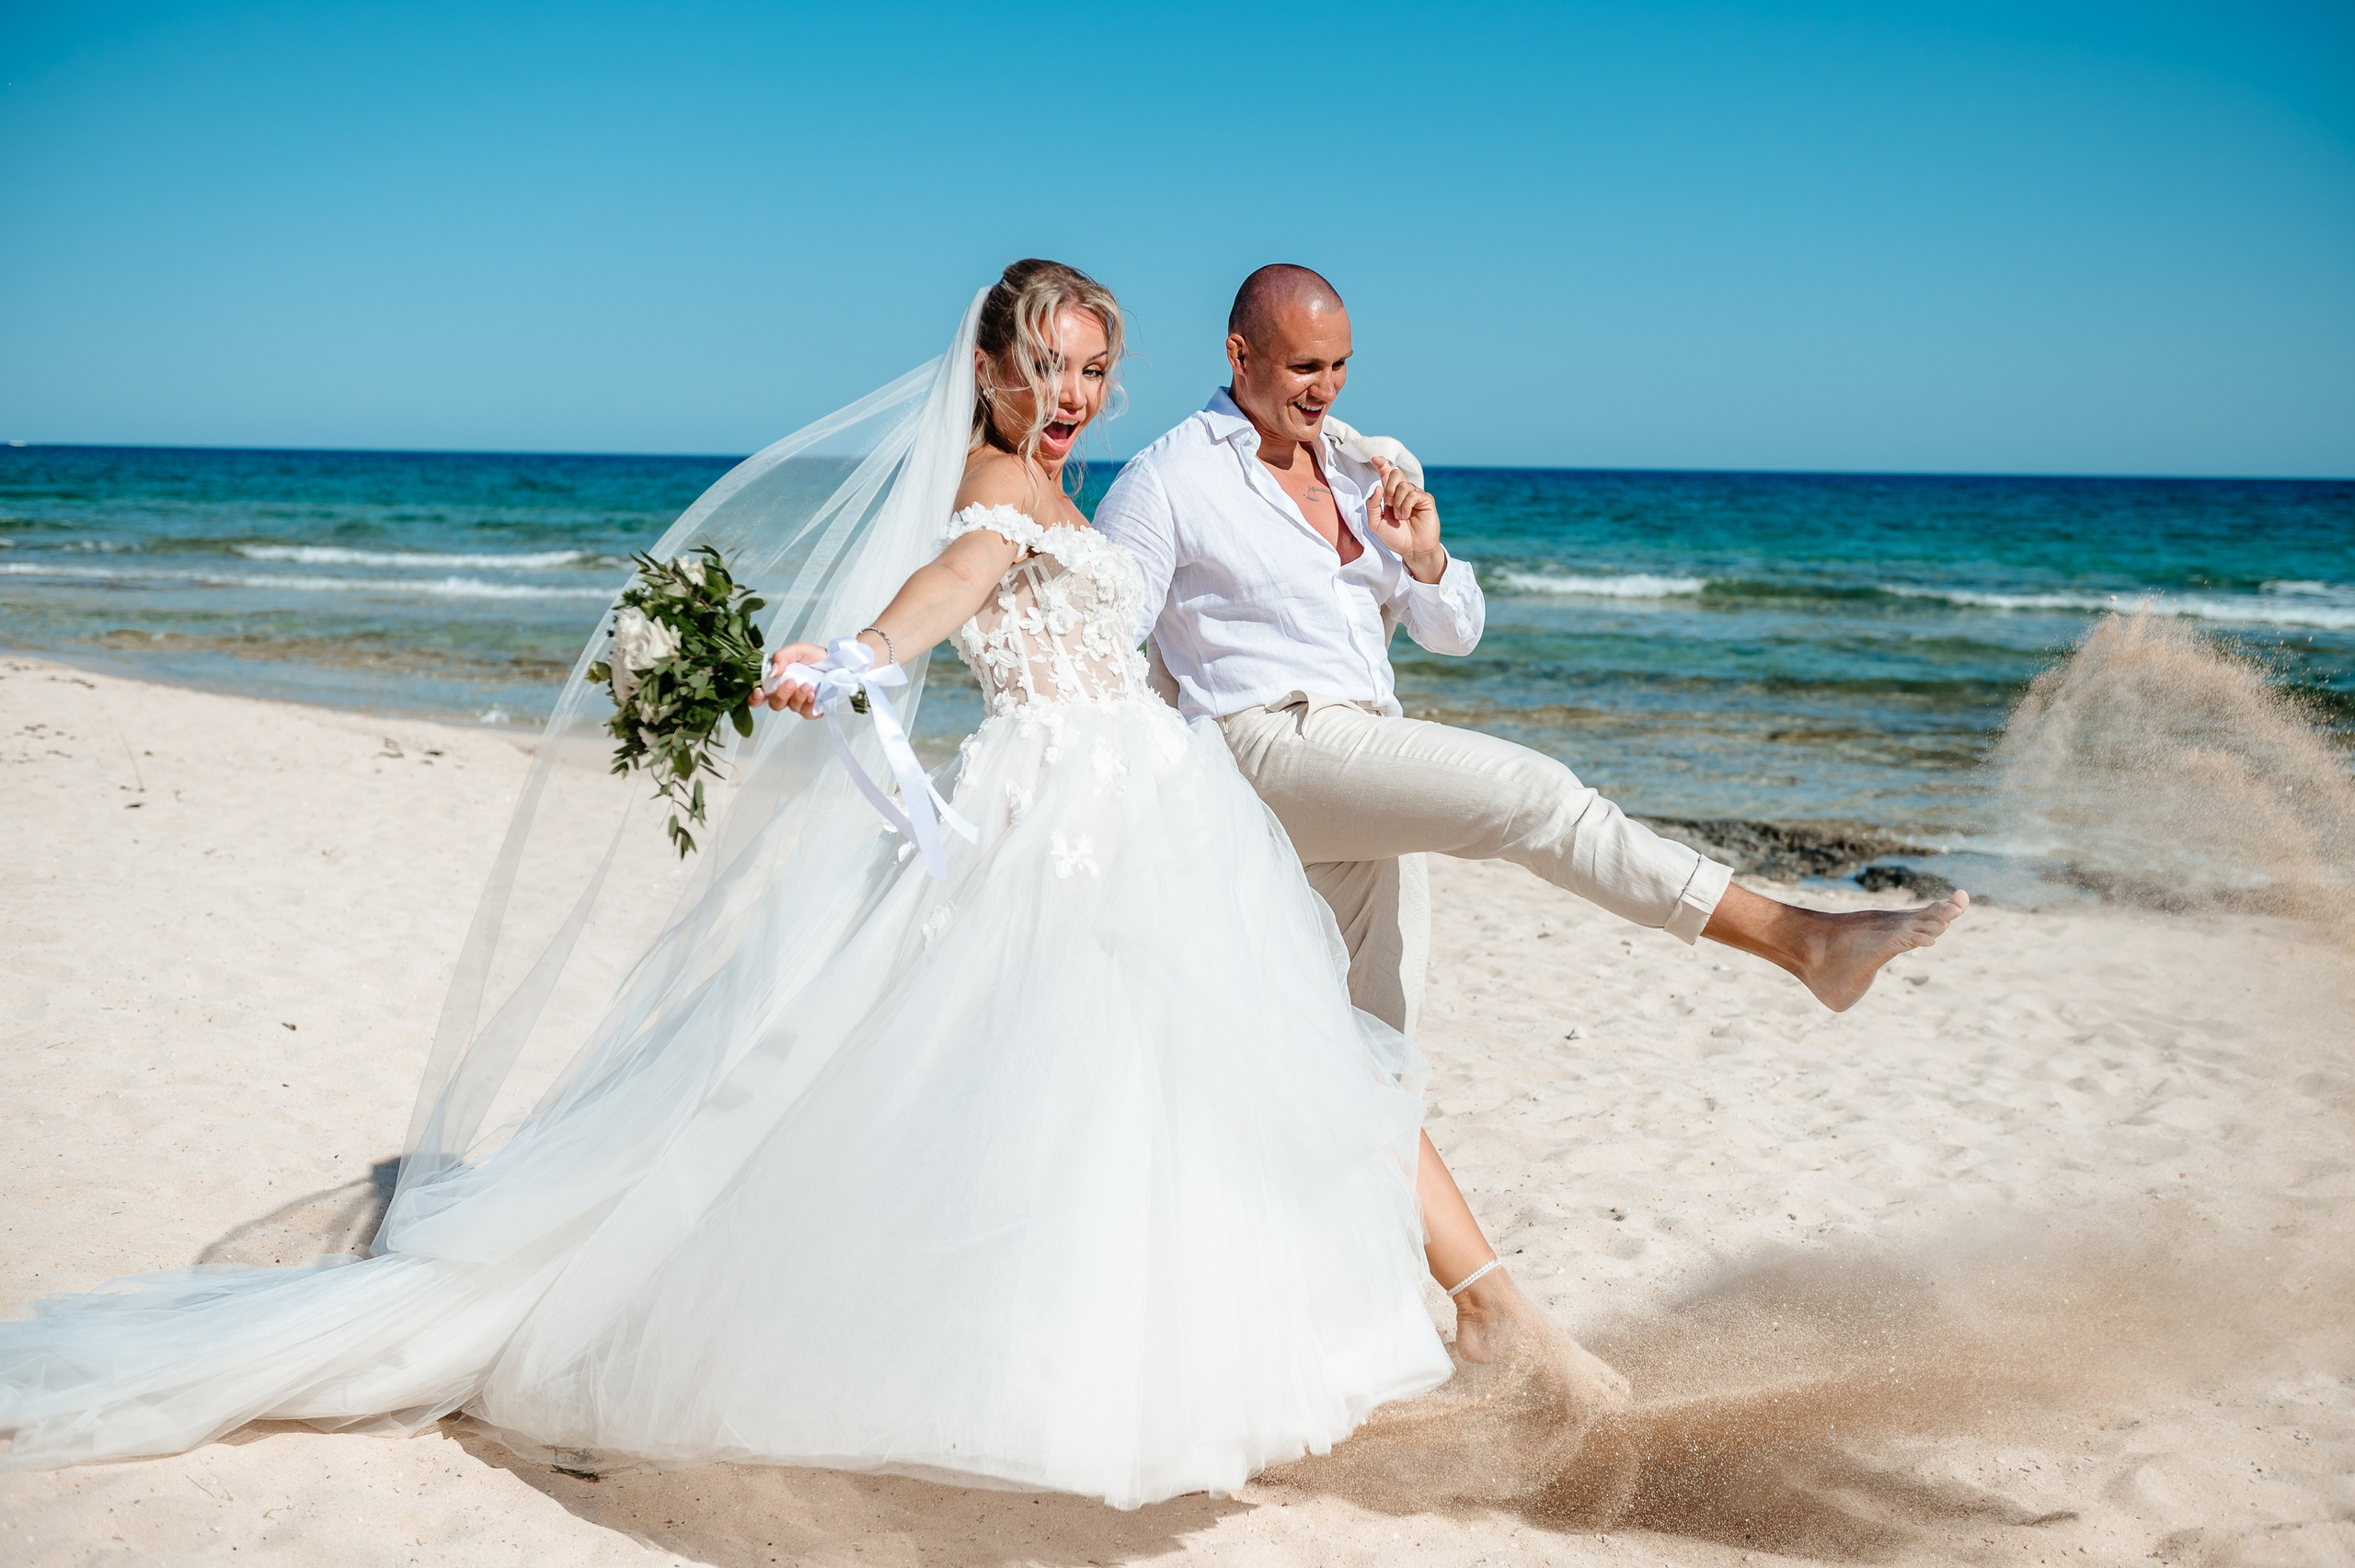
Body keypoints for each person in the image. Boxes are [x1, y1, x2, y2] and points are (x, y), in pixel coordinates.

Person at [0, 261, 1614, 1508]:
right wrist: (861, 650)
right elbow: (950, 588)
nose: (1069, 398)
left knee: (1199, 1082)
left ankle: (1436, 1329)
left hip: (1151, 795)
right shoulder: (993, 498)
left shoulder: (1073, 490)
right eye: (1043, 368)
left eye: (1091, 371)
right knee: (1171, 1080)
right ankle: (1443, 1333)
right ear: (986, 371)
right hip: (1073, 808)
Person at [1095, 264, 1969, 1037]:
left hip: (1363, 757)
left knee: (1374, 1037)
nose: (1327, 388)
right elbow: (1100, 638)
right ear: (1239, 355)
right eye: (1303, 367)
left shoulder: (1367, 465)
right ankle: (1800, 937)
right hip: (1267, 746)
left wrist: (1424, 556)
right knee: (1536, 796)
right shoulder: (1169, 479)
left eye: (1341, 363)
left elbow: (1455, 633)